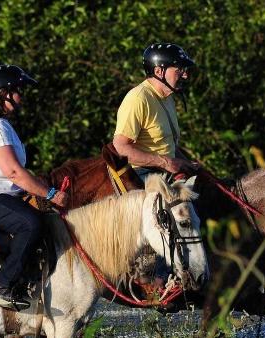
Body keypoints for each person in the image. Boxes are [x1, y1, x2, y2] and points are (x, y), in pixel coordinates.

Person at [0, 64, 68, 310]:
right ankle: (4, 287)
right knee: (30, 224)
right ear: (3, 93)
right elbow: (13, 172)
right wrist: (51, 194)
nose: (21, 96)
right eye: (18, 90)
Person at [112, 43, 200, 288]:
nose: (184, 74)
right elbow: (121, 147)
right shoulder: (138, 98)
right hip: (143, 174)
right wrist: (165, 162)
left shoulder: (167, 98)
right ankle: (159, 278)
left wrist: (183, 162)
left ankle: (197, 268)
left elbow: (166, 146)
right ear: (159, 71)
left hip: (164, 172)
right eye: (179, 69)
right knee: (175, 210)